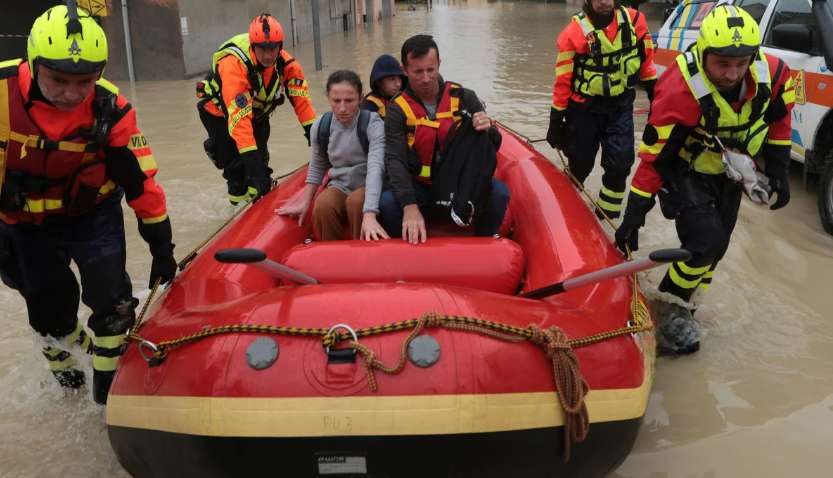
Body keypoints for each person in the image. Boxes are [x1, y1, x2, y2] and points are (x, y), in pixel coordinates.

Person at [0, 4, 177, 404]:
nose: (71, 93)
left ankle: (109, 397)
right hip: (24, 223)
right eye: (59, 80)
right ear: (34, 64)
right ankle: (69, 374)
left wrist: (161, 247)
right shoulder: (1, 93)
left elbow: (142, 183)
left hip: (92, 215)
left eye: (84, 81)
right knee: (46, 308)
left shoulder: (112, 109)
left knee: (113, 300)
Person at [615, 5, 794, 354]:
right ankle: (668, 307)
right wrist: (634, 215)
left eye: (740, 64)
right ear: (703, 52)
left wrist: (779, 171)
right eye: (722, 64)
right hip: (685, 171)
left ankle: (688, 306)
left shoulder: (773, 74)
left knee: (718, 248)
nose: (732, 74)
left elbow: (779, 121)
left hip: (730, 174)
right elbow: (654, 158)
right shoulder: (680, 88)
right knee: (704, 242)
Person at [379, 34, 509, 244]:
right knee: (387, 202)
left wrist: (489, 130)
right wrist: (409, 205)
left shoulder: (465, 98)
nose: (426, 78)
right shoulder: (397, 109)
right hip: (420, 187)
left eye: (431, 70)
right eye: (418, 71)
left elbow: (490, 147)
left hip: (459, 183)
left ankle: (482, 245)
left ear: (439, 63)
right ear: (404, 70)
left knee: (499, 193)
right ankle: (404, 251)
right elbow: (395, 159)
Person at [547, 0, 656, 219]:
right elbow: (563, 82)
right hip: (584, 109)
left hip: (620, 107)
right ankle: (565, 210)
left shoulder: (636, 21)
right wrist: (555, 123)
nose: (604, 1)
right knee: (580, 163)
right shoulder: (572, 34)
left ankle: (605, 218)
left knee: (621, 164)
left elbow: (647, 64)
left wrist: (656, 102)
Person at [197, 13, 315, 205]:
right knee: (237, 172)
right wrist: (254, 168)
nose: (268, 55)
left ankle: (257, 199)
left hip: (257, 114)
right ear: (253, 47)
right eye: (262, 49)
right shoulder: (234, 66)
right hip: (218, 114)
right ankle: (236, 206)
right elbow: (240, 123)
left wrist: (316, 138)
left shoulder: (288, 65)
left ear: (280, 47)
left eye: (273, 49)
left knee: (261, 164)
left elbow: (303, 104)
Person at [277, 70, 388, 241]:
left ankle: (363, 248)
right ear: (328, 99)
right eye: (336, 101)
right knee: (323, 205)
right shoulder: (321, 126)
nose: (342, 108)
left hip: (366, 184)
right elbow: (317, 165)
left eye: (349, 100)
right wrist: (305, 202)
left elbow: (375, 168)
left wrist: (370, 213)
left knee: (356, 203)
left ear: (360, 98)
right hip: (339, 185)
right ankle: (331, 251)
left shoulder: (373, 124)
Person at [360, 54, 406, 119]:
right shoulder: (370, 105)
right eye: (392, 79)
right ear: (378, 82)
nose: (398, 84)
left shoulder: (404, 97)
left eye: (400, 78)